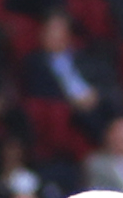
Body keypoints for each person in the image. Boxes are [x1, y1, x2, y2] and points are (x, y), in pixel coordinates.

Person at [22, 12, 117, 142]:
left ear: (68, 35)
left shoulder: (85, 56)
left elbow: (104, 78)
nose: (55, 36)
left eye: (60, 30)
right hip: (67, 106)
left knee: (114, 102)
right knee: (88, 116)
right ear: (42, 34)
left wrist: (96, 93)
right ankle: (105, 143)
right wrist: (72, 101)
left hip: (92, 99)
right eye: (51, 31)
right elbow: (38, 91)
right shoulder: (35, 62)